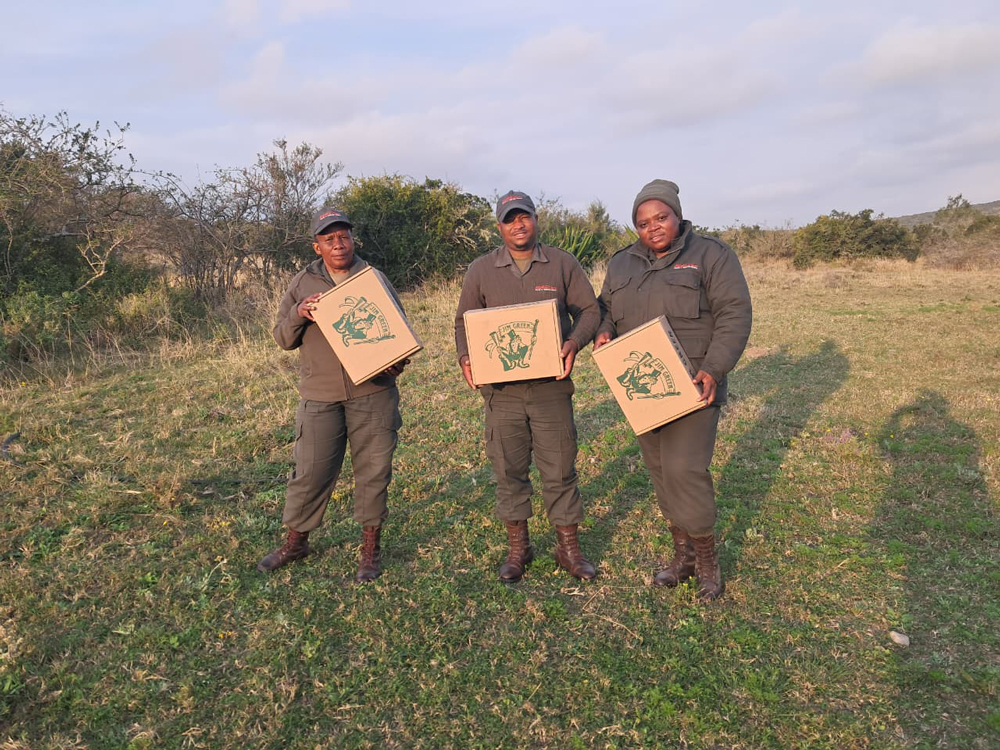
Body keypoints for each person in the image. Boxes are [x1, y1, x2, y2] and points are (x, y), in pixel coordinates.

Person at [595, 180, 752, 601]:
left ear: (677, 215)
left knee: (686, 470)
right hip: (643, 391)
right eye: (643, 223)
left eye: (661, 217)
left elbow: (734, 314)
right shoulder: (622, 263)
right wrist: (605, 331)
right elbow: (604, 309)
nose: (653, 228)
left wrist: (714, 368)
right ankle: (681, 557)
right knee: (662, 472)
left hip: (692, 386)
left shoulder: (711, 256)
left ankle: (706, 561)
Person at [455, 190, 601, 583]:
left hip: (550, 388)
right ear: (499, 226)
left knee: (559, 468)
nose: (518, 224)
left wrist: (573, 343)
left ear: (536, 219)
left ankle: (568, 547)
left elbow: (589, 310)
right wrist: (466, 358)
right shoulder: (481, 270)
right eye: (509, 219)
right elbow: (463, 322)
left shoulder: (562, 264)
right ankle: (519, 548)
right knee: (509, 469)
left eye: (525, 216)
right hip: (502, 393)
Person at [257, 207, 408, 582]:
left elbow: (399, 334)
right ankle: (297, 541)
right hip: (320, 395)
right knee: (310, 471)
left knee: (373, 472)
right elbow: (282, 339)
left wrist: (396, 363)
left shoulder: (373, 279)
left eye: (344, 236)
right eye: (329, 239)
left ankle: (370, 550)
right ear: (317, 246)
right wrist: (299, 313)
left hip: (373, 393)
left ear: (353, 240)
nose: (338, 244)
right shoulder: (302, 283)